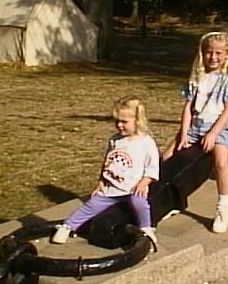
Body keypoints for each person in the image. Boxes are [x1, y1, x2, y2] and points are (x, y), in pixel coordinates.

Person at [162, 31, 228, 233]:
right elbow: (188, 108)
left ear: (227, 55)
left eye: (218, 53)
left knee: (220, 163)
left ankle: (223, 208)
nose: (213, 57)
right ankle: (169, 200)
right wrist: (183, 134)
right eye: (209, 52)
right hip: (196, 126)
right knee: (166, 158)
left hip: (220, 127)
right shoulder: (198, 76)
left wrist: (213, 134)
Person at [52, 96, 160, 248]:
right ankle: (68, 226)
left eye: (124, 122)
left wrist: (144, 182)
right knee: (92, 205)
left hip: (133, 187)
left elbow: (152, 166)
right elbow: (108, 163)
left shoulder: (146, 142)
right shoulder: (115, 140)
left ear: (137, 120)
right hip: (113, 187)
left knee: (140, 203)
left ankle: (146, 228)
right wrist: (101, 182)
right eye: (116, 121)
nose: (119, 125)